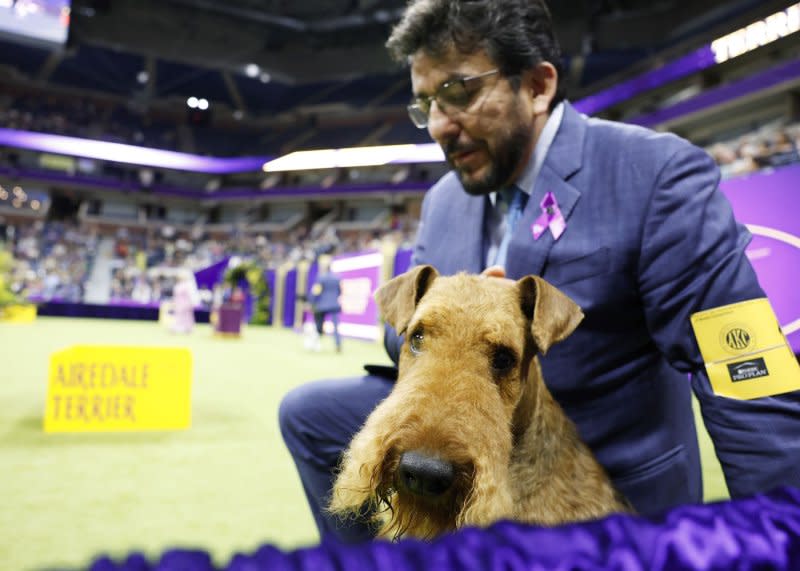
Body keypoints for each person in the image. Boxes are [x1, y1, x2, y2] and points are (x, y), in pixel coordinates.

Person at [279, 0, 800, 544]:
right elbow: (403, 345)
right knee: (308, 413)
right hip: (483, 436)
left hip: (602, 467)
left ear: (537, 86)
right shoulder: (443, 201)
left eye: (458, 93)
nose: (438, 126)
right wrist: (463, 311)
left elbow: (747, 372)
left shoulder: (657, 175)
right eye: (425, 104)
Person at [308, 263, 343, 353]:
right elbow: (340, 292)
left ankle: (316, 344)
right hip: (334, 305)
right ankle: (338, 345)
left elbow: (316, 291)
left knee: (319, 326)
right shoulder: (337, 278)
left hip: (322, 305)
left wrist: (312, 302)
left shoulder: (321, 278)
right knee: (336, 326)